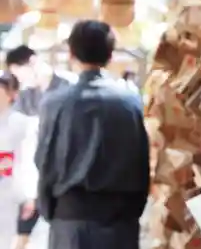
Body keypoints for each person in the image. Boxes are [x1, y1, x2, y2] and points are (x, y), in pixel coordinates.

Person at [35, 20, 150, 249]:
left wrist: (50, 212)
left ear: (71, 53)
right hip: (120, 222)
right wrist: (133, 214)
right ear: (110, 55)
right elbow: (141, 163)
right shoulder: (130, 103)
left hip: (70, 220)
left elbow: (45, 162)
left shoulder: (55, 103)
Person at [5, 45, 77, 249]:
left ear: (32, 62)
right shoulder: (26, 96)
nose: (18, 79)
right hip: (35, 174)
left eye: (18, 72)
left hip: (67, 172)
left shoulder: (69, 86)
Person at [0, 72, 39, 249]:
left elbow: (29, 160)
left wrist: (30, 196)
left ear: (12, 94)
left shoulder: (23, 124)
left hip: (10, 193)